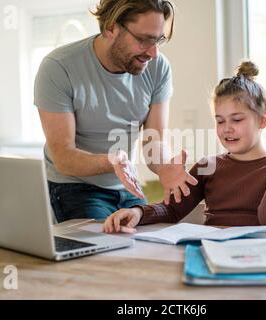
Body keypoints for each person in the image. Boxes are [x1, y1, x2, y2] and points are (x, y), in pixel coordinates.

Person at [103, 61, 266, 233]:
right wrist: (137, 212)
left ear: (263, 120)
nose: (226, 128)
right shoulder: (207, 166)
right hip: (213, 253)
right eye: (220, 121)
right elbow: (172, 210)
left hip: (262, 257)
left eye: (237, 120)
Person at [34, 0, 198, 223]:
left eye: (158, 40)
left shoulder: (159, 68)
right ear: (110, 27)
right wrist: (111, 161)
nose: (153, 53)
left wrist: (165, 166)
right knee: (108, 245)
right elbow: (63, 157)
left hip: (127, 186)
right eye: (143, 40)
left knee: (146, 239)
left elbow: (154, 141)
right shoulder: (59, 67)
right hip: (73, 186)